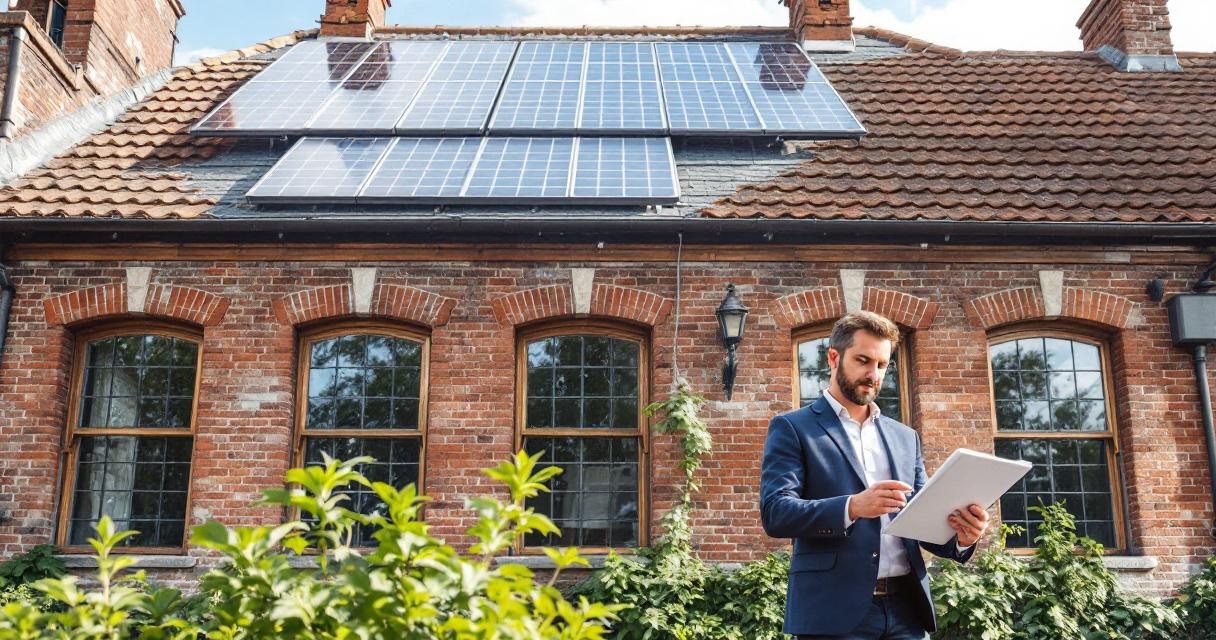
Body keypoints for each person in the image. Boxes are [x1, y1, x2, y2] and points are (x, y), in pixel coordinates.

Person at [760, 311, 989, 639]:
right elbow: (776, 513)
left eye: (882, 365)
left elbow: (921, 520)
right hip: (832, 613)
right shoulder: (793, 428)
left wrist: (962, 537)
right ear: (834, 357)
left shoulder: (904, 437)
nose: (873, 374)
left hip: (907, 612)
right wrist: (852, 506)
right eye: (863, 360)